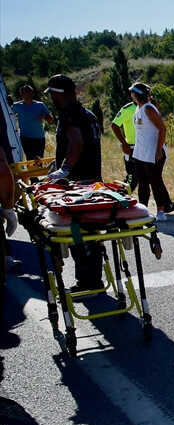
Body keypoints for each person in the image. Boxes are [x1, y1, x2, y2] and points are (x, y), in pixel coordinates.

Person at [43, 74, 105, 292]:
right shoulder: (88, 114)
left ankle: (87, 283)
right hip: (93, 181)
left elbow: (77, 141)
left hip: (78, 184)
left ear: (57, 95)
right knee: (92, 234)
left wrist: (65, 168)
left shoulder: (69, 114)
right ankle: (94, 279)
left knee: (79, 233)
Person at [128, 82, 174, 221]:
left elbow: (162, 129)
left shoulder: (148, 109)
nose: (131, 94)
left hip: (152, 150)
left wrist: (158, 150)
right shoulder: (138, 108)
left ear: (136, 94)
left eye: (132, 92)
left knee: (155, 180)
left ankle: (161, 211)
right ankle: (142, 209)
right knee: (142, 181)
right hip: (140, 151)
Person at [11, 84, 54, 160]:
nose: (30, 93)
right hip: (25, 137)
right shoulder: (17, 106)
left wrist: (44, 117)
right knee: (30, 159)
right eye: (27, 91)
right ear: (22, 94)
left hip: (39, 137)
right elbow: (8, 115)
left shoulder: (40, 105)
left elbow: (51, 120)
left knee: (39, 160)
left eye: (31, 91)